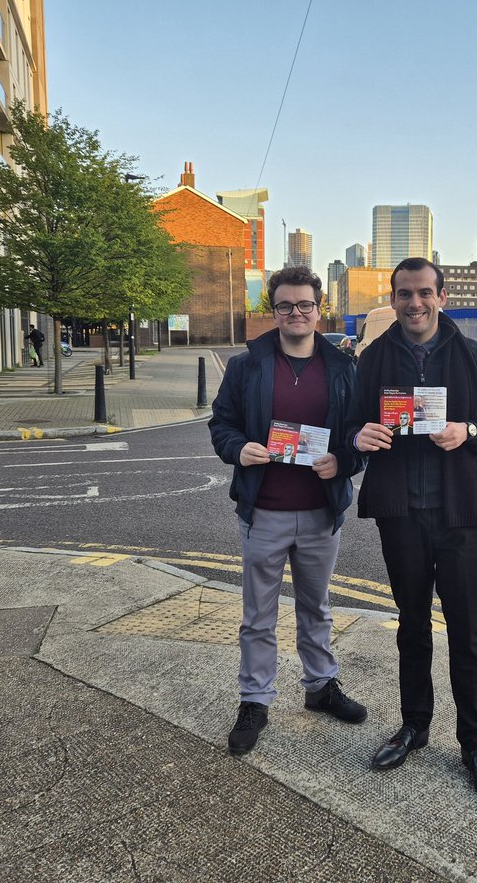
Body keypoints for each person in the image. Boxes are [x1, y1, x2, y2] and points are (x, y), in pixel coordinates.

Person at [352, 256, 477, 804]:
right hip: (401, 514)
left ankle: (475, 745)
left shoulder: (472, 357)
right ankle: (415, 726)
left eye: (424, 293)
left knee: (466, 633)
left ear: (441, 296)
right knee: (411, 626)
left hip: (457, 515)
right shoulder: (373, 360)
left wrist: (466, 430)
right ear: (393, 299)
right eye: (404, 294)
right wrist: (360, 436)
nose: (414, 303)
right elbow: (349, 424)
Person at [209, 266, 368, 755]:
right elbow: (222, 425)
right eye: (285, 306)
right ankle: (255, 699)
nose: (295, 313)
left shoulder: (344, 369)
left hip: (322, 511)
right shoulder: (247, 365)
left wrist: (343, 460)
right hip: (265, 510)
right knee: (258, 615)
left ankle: (320, 687)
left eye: (305, 305)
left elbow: (362, 436)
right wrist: (239, 449)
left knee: (316, 608)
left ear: (320, 309)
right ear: (273, 310)